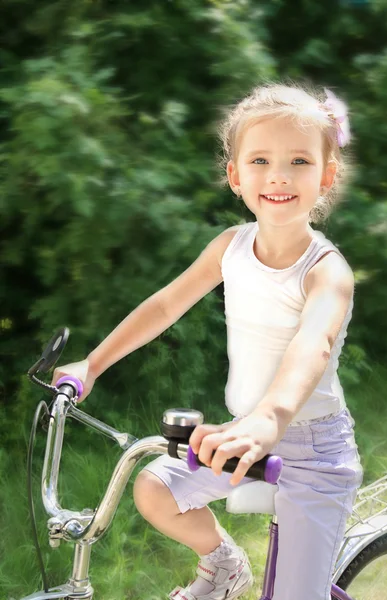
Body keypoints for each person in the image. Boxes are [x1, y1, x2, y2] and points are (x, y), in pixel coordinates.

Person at [52, 81, 364, 600]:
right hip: (245, 434)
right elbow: (165, 305)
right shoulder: (230, 246)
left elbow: (314, 346)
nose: (279, 175)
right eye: (260, 160)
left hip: (314, 450)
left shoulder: (327, 272)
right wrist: (94, 363)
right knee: (153, 489)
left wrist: (269, 419)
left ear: (327, 176)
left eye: (300, 162)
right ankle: (223, 565)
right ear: (234, 176)